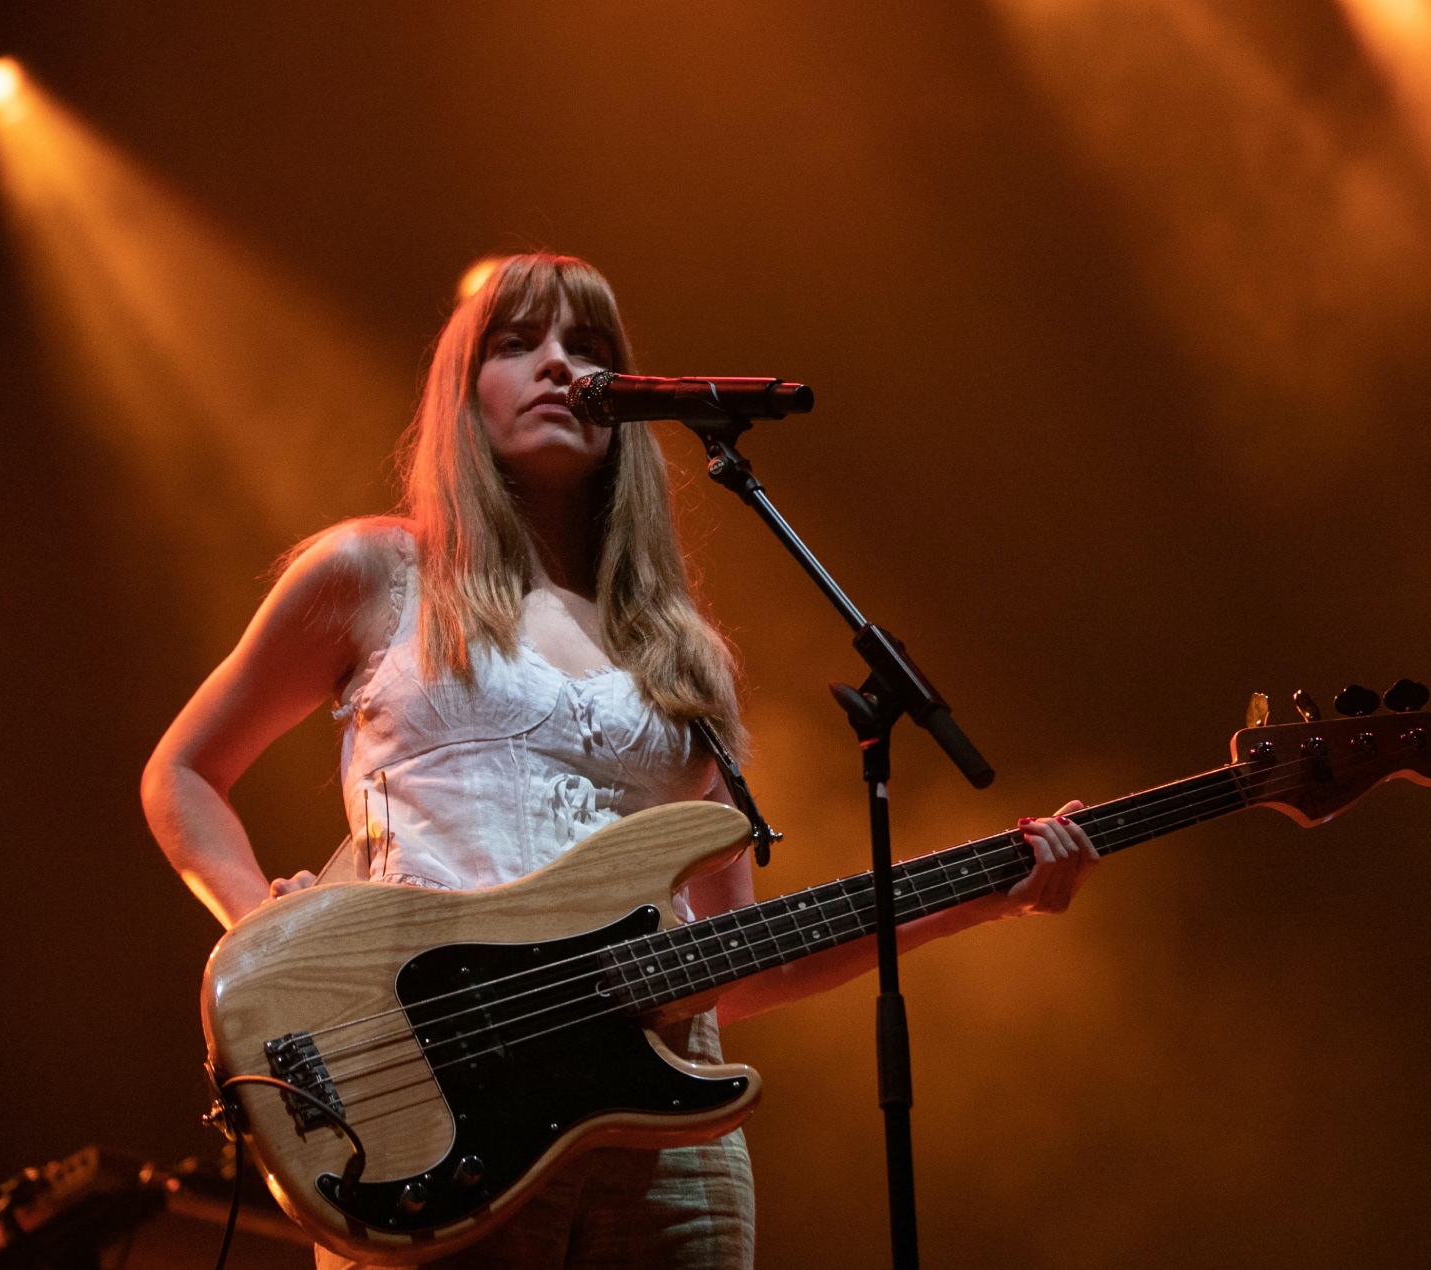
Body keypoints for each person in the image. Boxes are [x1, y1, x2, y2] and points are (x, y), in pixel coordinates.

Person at [139, 252, 1099, 1268]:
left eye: (588, 348)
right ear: (463, 393)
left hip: (669, 1148)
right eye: (518, 344)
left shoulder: (685, 660)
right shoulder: (376, 573)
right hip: (434, 1113)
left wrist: (986, 894)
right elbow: (184, 772)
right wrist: (270, 934)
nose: (559, 366)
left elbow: (732, 958)